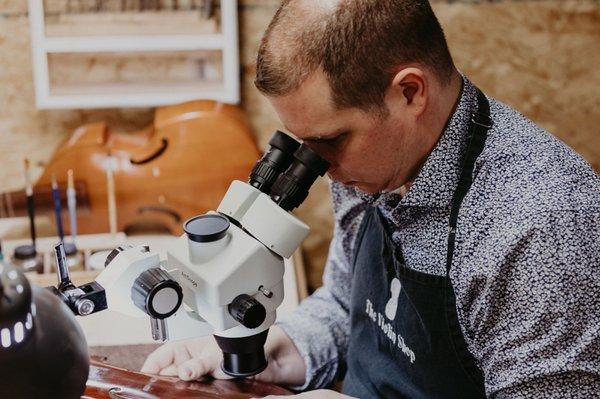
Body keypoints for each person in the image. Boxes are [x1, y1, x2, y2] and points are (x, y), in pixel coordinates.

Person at [141, 0, 600, 397]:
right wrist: (276, 349)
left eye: (331, 142)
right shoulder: (369, 170)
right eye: (305, 147)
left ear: (409, 92)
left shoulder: (540, 225)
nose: (323, 169)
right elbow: (348, 305)